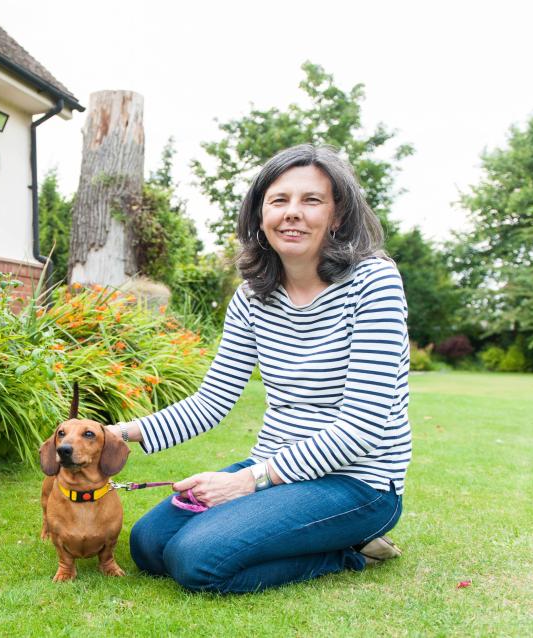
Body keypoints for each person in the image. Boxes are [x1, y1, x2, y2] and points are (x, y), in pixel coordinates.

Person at [107, 144, 410, 594]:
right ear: (260, 213)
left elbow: (361, 428)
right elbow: (212, 401)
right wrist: (120, 432)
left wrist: (246, 482)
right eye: (279, 200)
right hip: (275, 466)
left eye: (311, 200)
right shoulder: (253, 296)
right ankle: (295, 531)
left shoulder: (374, 282)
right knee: (149, 545)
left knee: (197, 560)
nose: (293, 213)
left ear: (338, 215)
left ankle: (350, 549)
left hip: (358, 482)